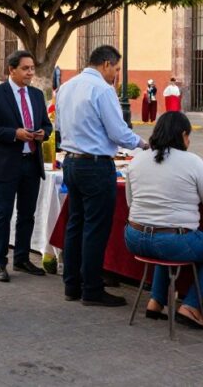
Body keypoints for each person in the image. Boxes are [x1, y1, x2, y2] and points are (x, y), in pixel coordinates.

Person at [56, 45, 148, 307]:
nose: (116, 75)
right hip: (95, 166)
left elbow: (59, 126)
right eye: (117, 69)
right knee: (95, 228)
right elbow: (119, 133)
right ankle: (92, 288)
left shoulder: (67, 86)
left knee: (76, 224)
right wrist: (143, 144)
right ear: (106, 64)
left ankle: (71, 284)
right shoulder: (102, 90)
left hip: (72, 162)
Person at [124, 112, 203, 330]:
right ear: (182, 135)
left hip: (133, 237)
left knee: (164, 239)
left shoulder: (138, 159)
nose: (189, 141)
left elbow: (130, 203)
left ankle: (156, 301)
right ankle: (190, 305)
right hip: (170, 242)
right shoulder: (192, 161)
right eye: (188, 136)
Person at [0, 50, 52, 282]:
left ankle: (22, 258)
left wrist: (43, 134)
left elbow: (47, 125)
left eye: (32, 68)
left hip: (31, 162)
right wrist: (14, 134)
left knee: (27, 214)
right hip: (6, 164)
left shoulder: (37, 95)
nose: (30, 72)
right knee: (3, 214)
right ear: (11, 70)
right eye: (25, 68)